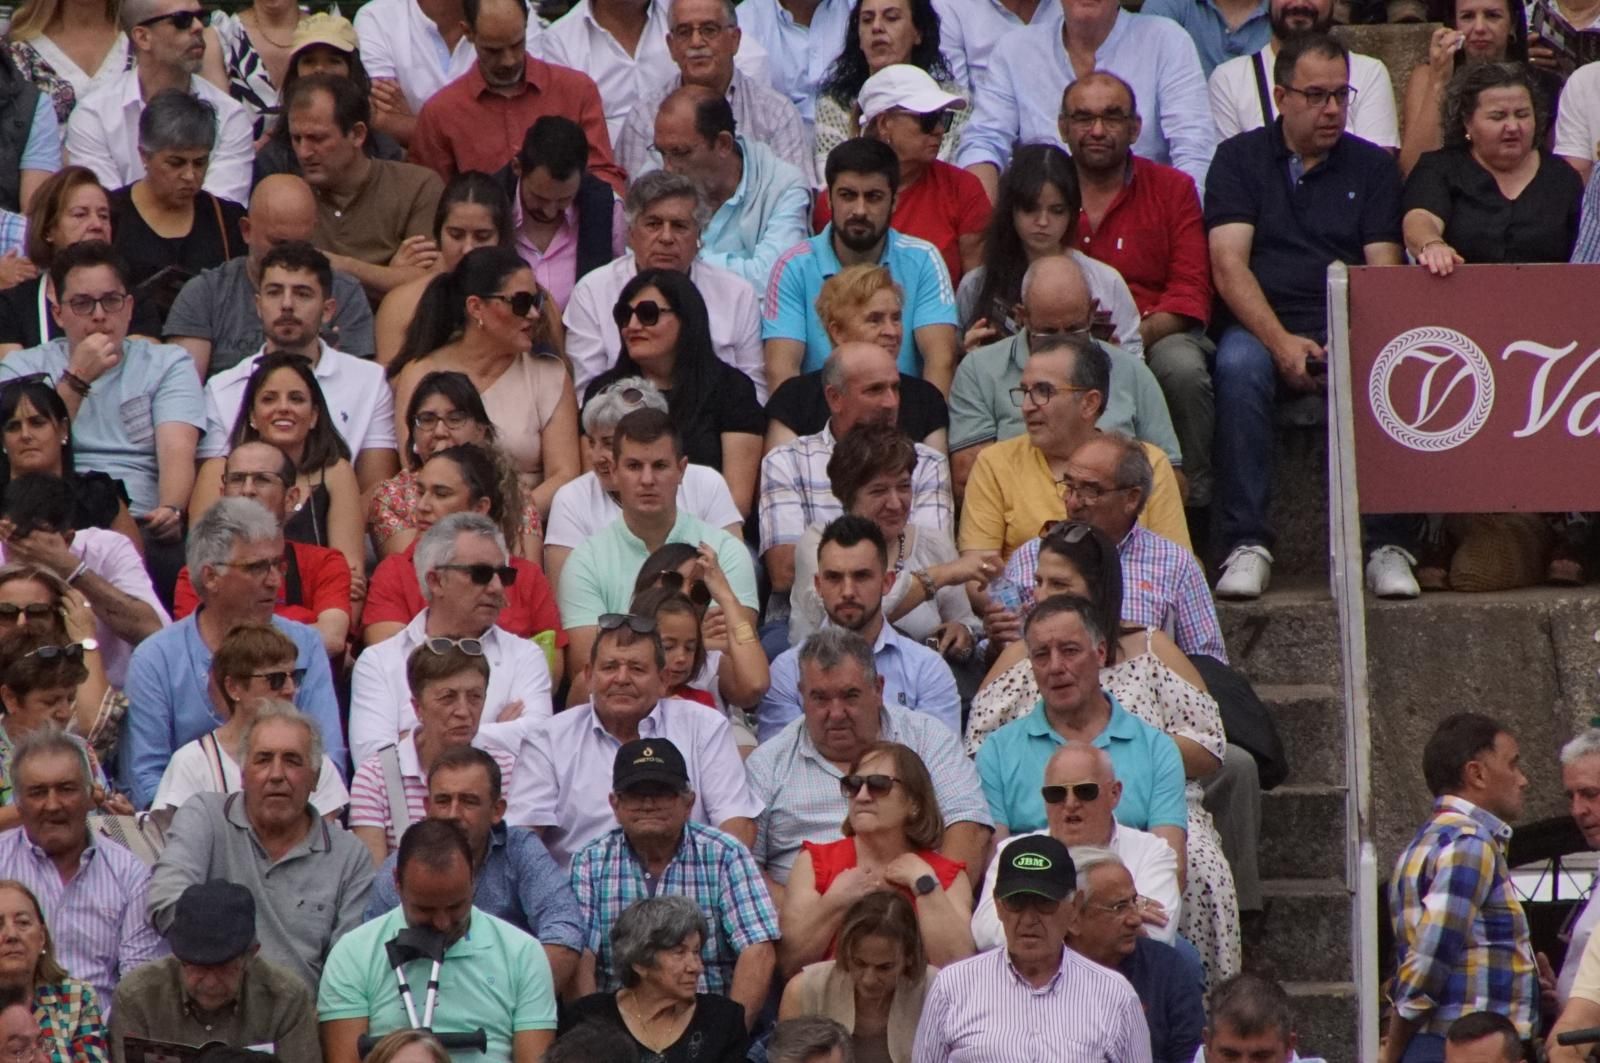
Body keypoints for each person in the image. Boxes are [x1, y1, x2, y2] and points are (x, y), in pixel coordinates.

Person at [1205, 32, 1413, 601]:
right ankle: (1246, 542)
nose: (1332, 109)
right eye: (1316, 95)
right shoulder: (1239, 158)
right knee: (1237, 367)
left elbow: (1383, 270)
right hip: (1260, 322)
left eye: (1341, 95)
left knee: (1391, 364)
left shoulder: (1371, 166)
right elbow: (1228, 265)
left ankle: (1388, 543)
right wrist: (1280, 342)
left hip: (1351, 319)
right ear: (1280, 96)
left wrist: (1347, 340)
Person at [1056, 78, 1215, 516]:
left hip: (1155, 331)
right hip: (1057, 335)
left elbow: (1190, 290)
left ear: (1135, 127)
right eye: (1084, 117)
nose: (1097, 129)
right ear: (1062, 126)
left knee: (1182, 367)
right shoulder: (1048, 191)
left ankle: (1190, 500)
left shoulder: (1172, 188)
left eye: (1112, 116)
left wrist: (1131, 338)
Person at [120, 498, 342, 807]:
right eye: (256, 568)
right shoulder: (156, 659)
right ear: (211, 577)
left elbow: (329, 759)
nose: (275, 582)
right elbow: (145, 780)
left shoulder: (305, 644)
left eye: (277, 565)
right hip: (189, 835)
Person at [974, 595, 1189, 905]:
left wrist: (1113, 915)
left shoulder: (1156, 749)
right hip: (1033, 913)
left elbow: (1172, 867)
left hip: (1128, 916)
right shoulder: (997, 750)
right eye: (1041, 655)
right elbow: (996, 865)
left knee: (1180, 956)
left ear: (1100, 652)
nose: (1056, 667)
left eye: (1070, 651)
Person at [748, 628, 992, 897]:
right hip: (806, 922)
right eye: (820, 698)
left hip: (918, 914)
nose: (836, 713)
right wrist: (802, 921)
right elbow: (745, 866)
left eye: (850, 695)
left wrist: (934, 910)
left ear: (878, 689)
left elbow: (968, 827)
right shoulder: (767, 764)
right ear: (801, 695)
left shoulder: (927, 738)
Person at [509, 611, 761, 867]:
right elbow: (522, 843)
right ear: (589, 676)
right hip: (576, 897)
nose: (621, 679)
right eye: (609, 667)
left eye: (637, 669)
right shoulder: (548, 740)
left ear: (663, 680)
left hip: (688, 893)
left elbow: (736, 828)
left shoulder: (704, 727)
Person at [150, 702, 374, 988]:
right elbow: (165, 900)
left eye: (292, 760)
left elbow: (347, 967)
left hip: (299, 1020)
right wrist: (228, 963)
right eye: (263, 759)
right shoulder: (205, 816)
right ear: (242, 774)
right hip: (208, 1000)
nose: (276, 774)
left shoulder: (349, 856)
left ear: (316, 778)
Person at [0, 240, 203, 547]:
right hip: (46, 511)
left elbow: (177, 448)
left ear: (130, 307)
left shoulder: (168, 362)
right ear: (58, 314)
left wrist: (171, 508)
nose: (98, 315)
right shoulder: (21, 367)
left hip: (139, 516)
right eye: (82, 303)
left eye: (111, 301)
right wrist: (77, 379)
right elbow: (24, 448)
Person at [570, 738, 778, 1025]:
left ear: (688, 802)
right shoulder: (589, 861)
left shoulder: (726, 854)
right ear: (615, 804)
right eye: (635, 793)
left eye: (662, 793)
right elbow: (580, 955)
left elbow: (758, 950)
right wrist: (596, 1038)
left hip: (708, 1028)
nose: (647, 803)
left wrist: (728, 1039)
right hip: (618, 1032)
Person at [556, 408, 758, 701]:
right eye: (634, 466)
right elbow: (589, 671)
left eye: (660, 466)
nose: (647, 479)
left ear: (682, 469)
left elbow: (741, 672)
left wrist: (630, 639)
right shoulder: (585, 561)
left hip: (714, 708)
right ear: (613, 471)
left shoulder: (724, 549)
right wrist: (695, 637)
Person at [318, 818, 557, 1061]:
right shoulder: (353, 954)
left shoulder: (523, 954)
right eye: (425, 909)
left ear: (473, 877)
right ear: (397, 883)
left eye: (455, 906)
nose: (442, 923)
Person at [949, 254, 1180, 501]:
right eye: (1048, 332)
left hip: (1115, 525)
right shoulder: (980, 370)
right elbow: (967, 479)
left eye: (1073, 330)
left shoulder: (1132, 371)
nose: (1062, 343)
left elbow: (1172, 479)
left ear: (1092, 312)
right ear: (1021, 316)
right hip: (1018, 528)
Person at [364, 746, 585, 995]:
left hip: (510, 997)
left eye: (469, 801)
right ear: (427, 806)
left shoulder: (521, 850)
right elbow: (373, 957)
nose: (453, 814)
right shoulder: (401, 868)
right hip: (419, 999)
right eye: (443, 801)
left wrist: (513, 1003)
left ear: (497, 810)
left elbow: (564, 932)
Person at [910, 835, 1151, 1060]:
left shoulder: (1115, 995)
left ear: (1074, 907)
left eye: (1044, 903)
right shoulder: (952, 987)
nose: (1028, 919)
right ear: (998, 905)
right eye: (1016, 903)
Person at [957, 331, 1189, 562]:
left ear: (1089, 403)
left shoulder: (1148, 464)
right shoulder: (995, 463)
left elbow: (1176, 568)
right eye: (1025, 391)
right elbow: (979, 575)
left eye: (1043, 391)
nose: (1027, 406)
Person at [387, 246, 580, 521]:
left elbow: (565, 475)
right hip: (436, 526)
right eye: (521, 303)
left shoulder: (549, 375)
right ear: (476, 307)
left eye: (535, 302)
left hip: (525, 528)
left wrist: (503, 521)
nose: (534, 315)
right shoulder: (420, 373)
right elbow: (414, 465)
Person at [1384, 713, 1536, 1063]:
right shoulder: (1469, 843)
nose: (1523, 780)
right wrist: (1392, 1050)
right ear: (1476, 773)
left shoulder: (1426, 842)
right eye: (1513, 765)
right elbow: (1429, 959)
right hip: (1460, 1048)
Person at [954, 0, 1216, 202]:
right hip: (1041, 231)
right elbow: (984, 143)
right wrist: (983, 228)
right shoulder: (1015, 49)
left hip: (1143, 226)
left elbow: (1194, 150)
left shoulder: (1167, 40)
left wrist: (1181, 227)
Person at [995, 433, 1227, 659]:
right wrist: (993, 643)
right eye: (1069, 486)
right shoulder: (1030, 555)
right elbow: (1001, 656)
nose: (1073, 502)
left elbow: (1208, 662)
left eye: (1089, 490)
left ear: (1132, 498)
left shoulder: (1174, 563)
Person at [349, 513, 555, 766]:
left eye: (503, 575)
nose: (496, 588)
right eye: (480, 574)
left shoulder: (526, 655)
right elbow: (375, 763)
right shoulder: (379, 662)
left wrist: (422, 739)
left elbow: (540, 747)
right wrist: (497, 732)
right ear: (435, 581)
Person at [760, 342, 954, 603]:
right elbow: (786, 571)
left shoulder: (927, 463)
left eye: (895, 388)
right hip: (806, 611)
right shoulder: (787, 461)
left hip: (917, 613)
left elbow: (933, 558)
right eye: (875, 390)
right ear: (834, 398)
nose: (891, 403)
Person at [764, 139, 959, 396]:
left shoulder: (924, 259)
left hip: (904, 419)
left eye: (873, 197)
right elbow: (782, 372)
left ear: (894, 201)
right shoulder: (793, 266)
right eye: (847, 195)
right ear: (829, 200)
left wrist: (929, 424)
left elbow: (940, 362)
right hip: (816, 424)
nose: (859, 210)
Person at [195, 241, 395, 492]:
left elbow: (374, 490)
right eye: (274, 292)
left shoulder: (370, 381)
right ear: (258, 305)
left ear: (328, 310)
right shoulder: (221, 389)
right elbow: (214, 492)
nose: (287, 304)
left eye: (302, 293)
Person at [0, 729, 165, 1008]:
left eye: (66, 789)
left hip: (99, 1040)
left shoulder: (130, 875)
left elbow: (137, 988)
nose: (52, 805)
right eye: (38, 792)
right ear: (18, 803)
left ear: (91, 796)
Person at [564, 171, 765, 399]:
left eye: (679, 226)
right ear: (630, 234)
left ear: (699, 237)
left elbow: (755, 391)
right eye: (653, 224)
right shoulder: (592, 291)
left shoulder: (736, 293)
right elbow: (587, 396)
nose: (666, 237)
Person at [779, 741, 973, 974]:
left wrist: (925, 886)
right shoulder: (814, 863)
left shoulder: (945, 876)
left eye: (878, 785)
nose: (862, 796)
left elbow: (961, 972)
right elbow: (789, 964)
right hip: (829, 1005)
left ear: (914, 804)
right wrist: (834, 902)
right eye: (853, 785)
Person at [790, 426, 982, 660]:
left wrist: (962, 634)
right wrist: (938, 576)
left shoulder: (932, 544)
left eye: (903, 487)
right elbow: (843, 621)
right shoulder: (821, 544)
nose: (895, 503)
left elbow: (966, 622)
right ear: (848, 494)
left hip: (919, 685)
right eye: (878, 490)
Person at [762, 516, 961, 739]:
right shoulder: (787, 672)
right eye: (834, 578)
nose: (847, 591)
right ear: (818, 585)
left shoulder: (927, 669)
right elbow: (778, 764)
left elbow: (942, 762)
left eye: (861, 576)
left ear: (887, 583)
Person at [585, 269, 766, 514]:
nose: (633, 326)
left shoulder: (732, 390)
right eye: (624, 315)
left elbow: (736, 501)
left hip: (708, 537)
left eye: (648, 314)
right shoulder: (602, 392)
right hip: (617, 532)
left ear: (687, 319)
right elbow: (593, 489)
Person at [970, 742, 1182, 949]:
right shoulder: (1013, 851)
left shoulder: (1151, 851)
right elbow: (986, 933)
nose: (1070, 803)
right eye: (1056, 794)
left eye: (1085, 791)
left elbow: (1156, 936)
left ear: (1114, 793)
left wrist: (1040, 924)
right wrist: (1116, 911)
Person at [165, 175, 376, 377]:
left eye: (302, 244)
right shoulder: (205, 294)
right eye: (279, 243)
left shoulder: (345, 294)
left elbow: (356, 389)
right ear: (246, 230)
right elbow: (185, 393)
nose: (290, 256)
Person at [545, 378, 742, 592]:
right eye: (592, 443)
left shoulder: (707, 483)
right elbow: (568, 596)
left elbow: (734, 576)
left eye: (609, 444)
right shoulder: (570, 498)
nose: (597, 456)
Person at [189, 352, 365, 584]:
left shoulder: (336, 472)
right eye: (269, 399)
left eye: (296, 399)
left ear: (313, 416)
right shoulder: (217, 471)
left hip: (320, 611)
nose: (283, 408)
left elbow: (350, 579)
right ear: (252, 415)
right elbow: (202, 567)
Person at [409, 0, 624, 190]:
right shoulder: (441, 112)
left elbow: (602, 176)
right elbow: (430, 197)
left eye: (517, 44)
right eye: (493, 50)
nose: (509, 60)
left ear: (527, 25)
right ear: (468, 33)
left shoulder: (576, 91)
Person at [956, 144, 1145, 359]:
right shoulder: (976, 286)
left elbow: (1135, 362)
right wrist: (967, 357)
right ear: (1011, 210)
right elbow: (952, 364)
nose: (1043, 222)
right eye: (1030, 209)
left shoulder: (1105, 281)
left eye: (1057, 211)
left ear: (1073, 212)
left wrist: (1116, 360)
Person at [361, 445, 560, 644]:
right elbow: (390, 658)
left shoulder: (527, 577)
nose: (422, 506)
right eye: (420, 492)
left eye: (441, 494)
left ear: (479, 507)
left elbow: (551, 663)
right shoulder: (394, 572)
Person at [63, 0, 254, 206]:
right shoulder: (94, 116)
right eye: (182, 20)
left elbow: (219, 212)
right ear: (143, 37)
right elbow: (105, 212)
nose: (198, 26)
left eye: (202, 17)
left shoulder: (229, 114)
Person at [173, 441, 354, 657]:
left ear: (291, 498)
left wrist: (234, 634)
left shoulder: (324, 563)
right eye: (237, 479)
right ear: (223, 494)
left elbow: (331, 639)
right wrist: (301, 622)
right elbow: (198, 645)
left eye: (262, 479)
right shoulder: (201, 571)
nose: (247, 490)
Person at [149, 621, 349, 816]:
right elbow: (174, 841)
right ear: (233, 687)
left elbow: (323, 842)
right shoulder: (193, 762)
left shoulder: (314, 760)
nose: (290, 690)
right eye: (276, 679)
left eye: (295, 677)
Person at [815, 65, 986, 287]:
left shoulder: (963, 188)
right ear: (885, 124)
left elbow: (976, 291)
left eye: (943, 119)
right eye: (927, 119)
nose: (938, 130)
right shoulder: (836, 199)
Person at [109, 882, 319, 1061]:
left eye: (224, 967)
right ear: (178, 955)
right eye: (197, 967)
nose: (210, 983)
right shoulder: (137, 997)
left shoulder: (286, 999)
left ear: (251, 954)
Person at [348, 641, 518, 861]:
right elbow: (372, 878)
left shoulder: (508, 769)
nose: (464, 711)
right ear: (417, 707)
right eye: (448, 697)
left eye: (475, 697)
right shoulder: (375, 776)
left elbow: (516, 863)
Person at [1406, 63, 1580, 274]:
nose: (1513, 127)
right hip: (1457, 298)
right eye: (1498, 117)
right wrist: (1432, 245)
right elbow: (1420, 218)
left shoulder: (1563, 177)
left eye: (1522, 114)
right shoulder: (1439, 168)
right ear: (1467, 122)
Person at [0, 470, 167, 691]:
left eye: (38, 543)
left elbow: (154, 631)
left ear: (67, 538)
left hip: (109, 699)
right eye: (18, 540)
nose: (29, 551)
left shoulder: (107, 549)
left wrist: (71, 568)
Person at [286, 74, 445, 300]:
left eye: (317, 138)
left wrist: (336, 264)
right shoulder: (288, 197)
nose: (304, 152)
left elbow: (427, 283)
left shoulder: (416, 186)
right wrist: (389, 274)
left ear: (358, 134)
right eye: (296, 138)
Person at [368, 370, 548, 562]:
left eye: (455, 419)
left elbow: (525, 570)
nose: (439, 431)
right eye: (427, 420)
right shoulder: (393, 496)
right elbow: (412, 570)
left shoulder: (512, 491)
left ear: (481, 430)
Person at [764, 266, 949, 451]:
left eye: (896, 318)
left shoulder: (926, 400)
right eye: (875, 320)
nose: (892, 332)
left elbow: (936, 476)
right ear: (837, 332)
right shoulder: (795, 399)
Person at [616, 0, 807, 178]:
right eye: (684, 32)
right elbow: (636, 205)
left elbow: (794, 200)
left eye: (709, 30)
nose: (696, 42)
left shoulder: (777, 114)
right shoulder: (644, 118)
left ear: (735, 39)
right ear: (671, 46)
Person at [535, 0, 769, 145]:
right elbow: (566, 135)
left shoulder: (684, 13)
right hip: (609, 184)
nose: (695, 40)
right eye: (685, 33)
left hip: (697, 155)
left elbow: (752, 60)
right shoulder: (561, 41)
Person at [652, 87, 810, 294]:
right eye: (661, 153)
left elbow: (777, 277)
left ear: (723, 144)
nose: (668, 168)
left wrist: (683, 264)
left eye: (680, 152)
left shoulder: (783, 187)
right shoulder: (655, 179)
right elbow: (638, 261)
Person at [107, 91, 245, 324]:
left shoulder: (228, 219)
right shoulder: (109, 215)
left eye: (200, 163)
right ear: (144, 155)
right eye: (176, 163)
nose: (190, 175)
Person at [562, 895, 749, 1062]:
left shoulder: (723, 1019)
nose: (695, 967)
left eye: (696, 952)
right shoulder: (587, 1017)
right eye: (679, 952)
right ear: (640, 963)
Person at [1064, 847, 1204, 1063]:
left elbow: (1189, 1056)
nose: (1135, 920)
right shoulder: (1044, 973)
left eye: (1134, 902)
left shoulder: (1167, 967)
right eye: (1119, 908)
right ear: (1073, 916)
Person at [0, 168, 160, 355]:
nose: (96, 225)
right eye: (80, 214)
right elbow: (13, 380)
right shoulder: (12, 305)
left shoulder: (135, 303)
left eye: (103, 216)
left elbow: (144, 372)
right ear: (48, 230)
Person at [812, 0, 968, 181]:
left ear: (918, 32)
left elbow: (953, 177)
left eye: (891, 18)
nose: (877, 27)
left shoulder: (954, 100)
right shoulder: (834, 104)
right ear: (859, 39)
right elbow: (832, 184)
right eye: (867, 19)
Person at [1207, 0, 1397, 148]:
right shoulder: (1229, 79)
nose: (1299, 3)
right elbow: (1231, 177)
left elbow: (1374, 176)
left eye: (1341, 94)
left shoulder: (1369, 72)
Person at [375, 171, 519, 363]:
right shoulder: (400, 305)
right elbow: (389, 384)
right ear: (438, 234)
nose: (468, 249)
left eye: (482, 236)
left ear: (502, 238)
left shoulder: (529, 301)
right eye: (456, 235)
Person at [352, 0, 539, 148]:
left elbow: (531, 112)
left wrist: (413, 123)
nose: (508, 59)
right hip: (416, 174)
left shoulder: (511, 8)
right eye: (494, 50)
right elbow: (378, 118)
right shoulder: (376, 17)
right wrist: (488, 133)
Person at [778, 891, 933, 1063]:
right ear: (845, 951)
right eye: (859, 963)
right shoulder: (803, 990)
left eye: (885, 968)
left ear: (909, 957)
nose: (869, 979)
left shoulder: (936, 988)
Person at [252, 14, 408, 181]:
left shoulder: (384, 151)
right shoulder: (274, 158)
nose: (320, 69)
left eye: (333, 61)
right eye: (309, 61)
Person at [1400, 0, 1545, 176]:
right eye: (1467, 17)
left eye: (1492, 16)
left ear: (1512, 24)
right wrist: (1439, 81)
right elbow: (1412, 170)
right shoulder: (1427, 77)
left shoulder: (1541, 83)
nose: (1479, 28)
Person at [502, 116, 627, 314]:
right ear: (518, 167)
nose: (550, 211)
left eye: (564, 199)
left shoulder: (609, 210)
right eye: (539, 197)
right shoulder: (488, 203)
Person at [0, 564, 121, 768]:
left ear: (58, 618)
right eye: (6, 613)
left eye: (37, 612)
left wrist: (85, 638)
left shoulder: (64, 677)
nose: (22, 622)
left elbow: (94, 730)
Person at [0, 378, 142, 546]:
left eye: (37, 423)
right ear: (2, 441)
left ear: (63, 429)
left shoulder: (97, 497)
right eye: (13, 427)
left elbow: (132, 569)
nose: (25, 435)